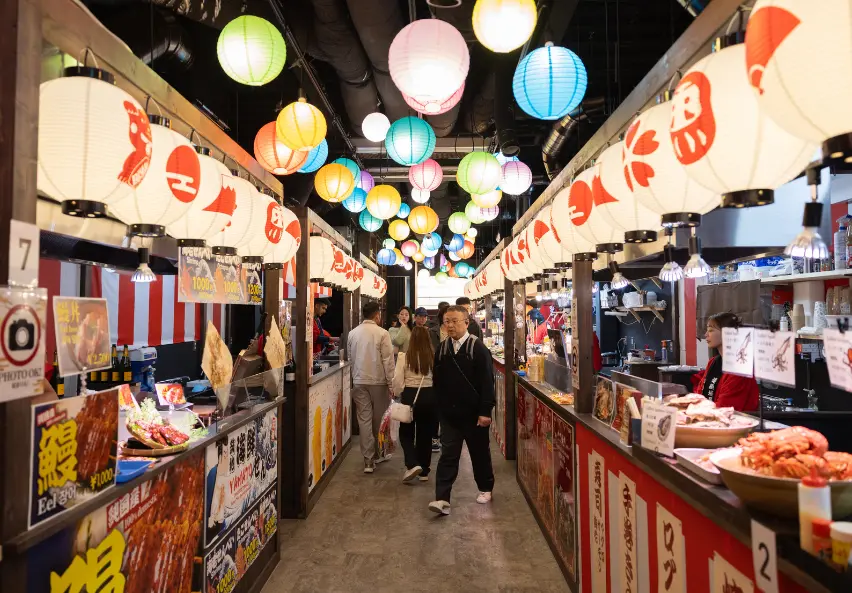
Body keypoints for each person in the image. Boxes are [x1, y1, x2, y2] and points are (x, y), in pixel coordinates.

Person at [429, 305, 495, 516]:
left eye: (454, 321)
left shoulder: (478, 348)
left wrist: (485, 411)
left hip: (475, 415)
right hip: (449, 415)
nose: (449, 325)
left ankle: (485, 487)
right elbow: (437, 382)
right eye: (446, 321)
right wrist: (439, 410)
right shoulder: (442, 348)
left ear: (467, 323)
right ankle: (441, 498)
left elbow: (487, 382)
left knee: (479, 453)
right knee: (448, 455)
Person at [347, 301, 395, 473]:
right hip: (379, 381)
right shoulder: (382, 333)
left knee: (364, 420)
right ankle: (379, 454)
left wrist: (354, 378)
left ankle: (368, 461)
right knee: (379, 420)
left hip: (359, 380)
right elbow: (388, 361)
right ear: (377, 315)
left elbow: (350, 359)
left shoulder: (353, 333)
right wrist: (392, 383)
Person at [392, 326, 438, 483]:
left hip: (410, 396)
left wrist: (398, 393)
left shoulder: (404, 356)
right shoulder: (433, 356)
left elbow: (398, 381)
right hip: (430, 396)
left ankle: (412, 464)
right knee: (425, 435)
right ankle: (424, 471)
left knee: (405, 432)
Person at [691, 312, 759, 411]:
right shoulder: (713, 361)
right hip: (710, 417)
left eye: (711, 330)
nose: (706, 335)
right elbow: (700, 393)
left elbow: (726, 407)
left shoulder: (738, 368)